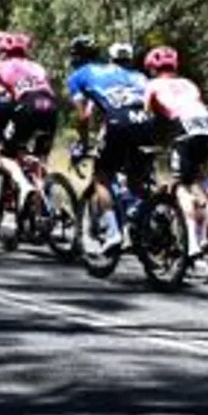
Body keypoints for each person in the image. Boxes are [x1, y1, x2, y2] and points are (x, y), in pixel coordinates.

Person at [66, 35, 153, 254]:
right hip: (147, 124)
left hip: (119, 124)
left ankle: (114, 233)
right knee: (136, 180)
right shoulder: (139, 76)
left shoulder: (80, 75)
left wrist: (83, 144)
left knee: (101, 176)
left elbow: (84, 117)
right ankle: (146, 215)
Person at [0, 33, 57, 229]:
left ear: (4, 51)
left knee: (8, 155)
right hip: (50, 108)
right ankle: (45, 202)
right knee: (39, 158)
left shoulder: (1, 66)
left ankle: (24, 187)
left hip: (26, 106)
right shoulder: (37, 66)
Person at [143, 47, 208, 256]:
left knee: (181, 186)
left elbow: (146, 117)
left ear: (151, 68)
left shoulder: (153, 85)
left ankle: (193, 244)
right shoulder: (188, 83)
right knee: (201, 179)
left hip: (187, 130)